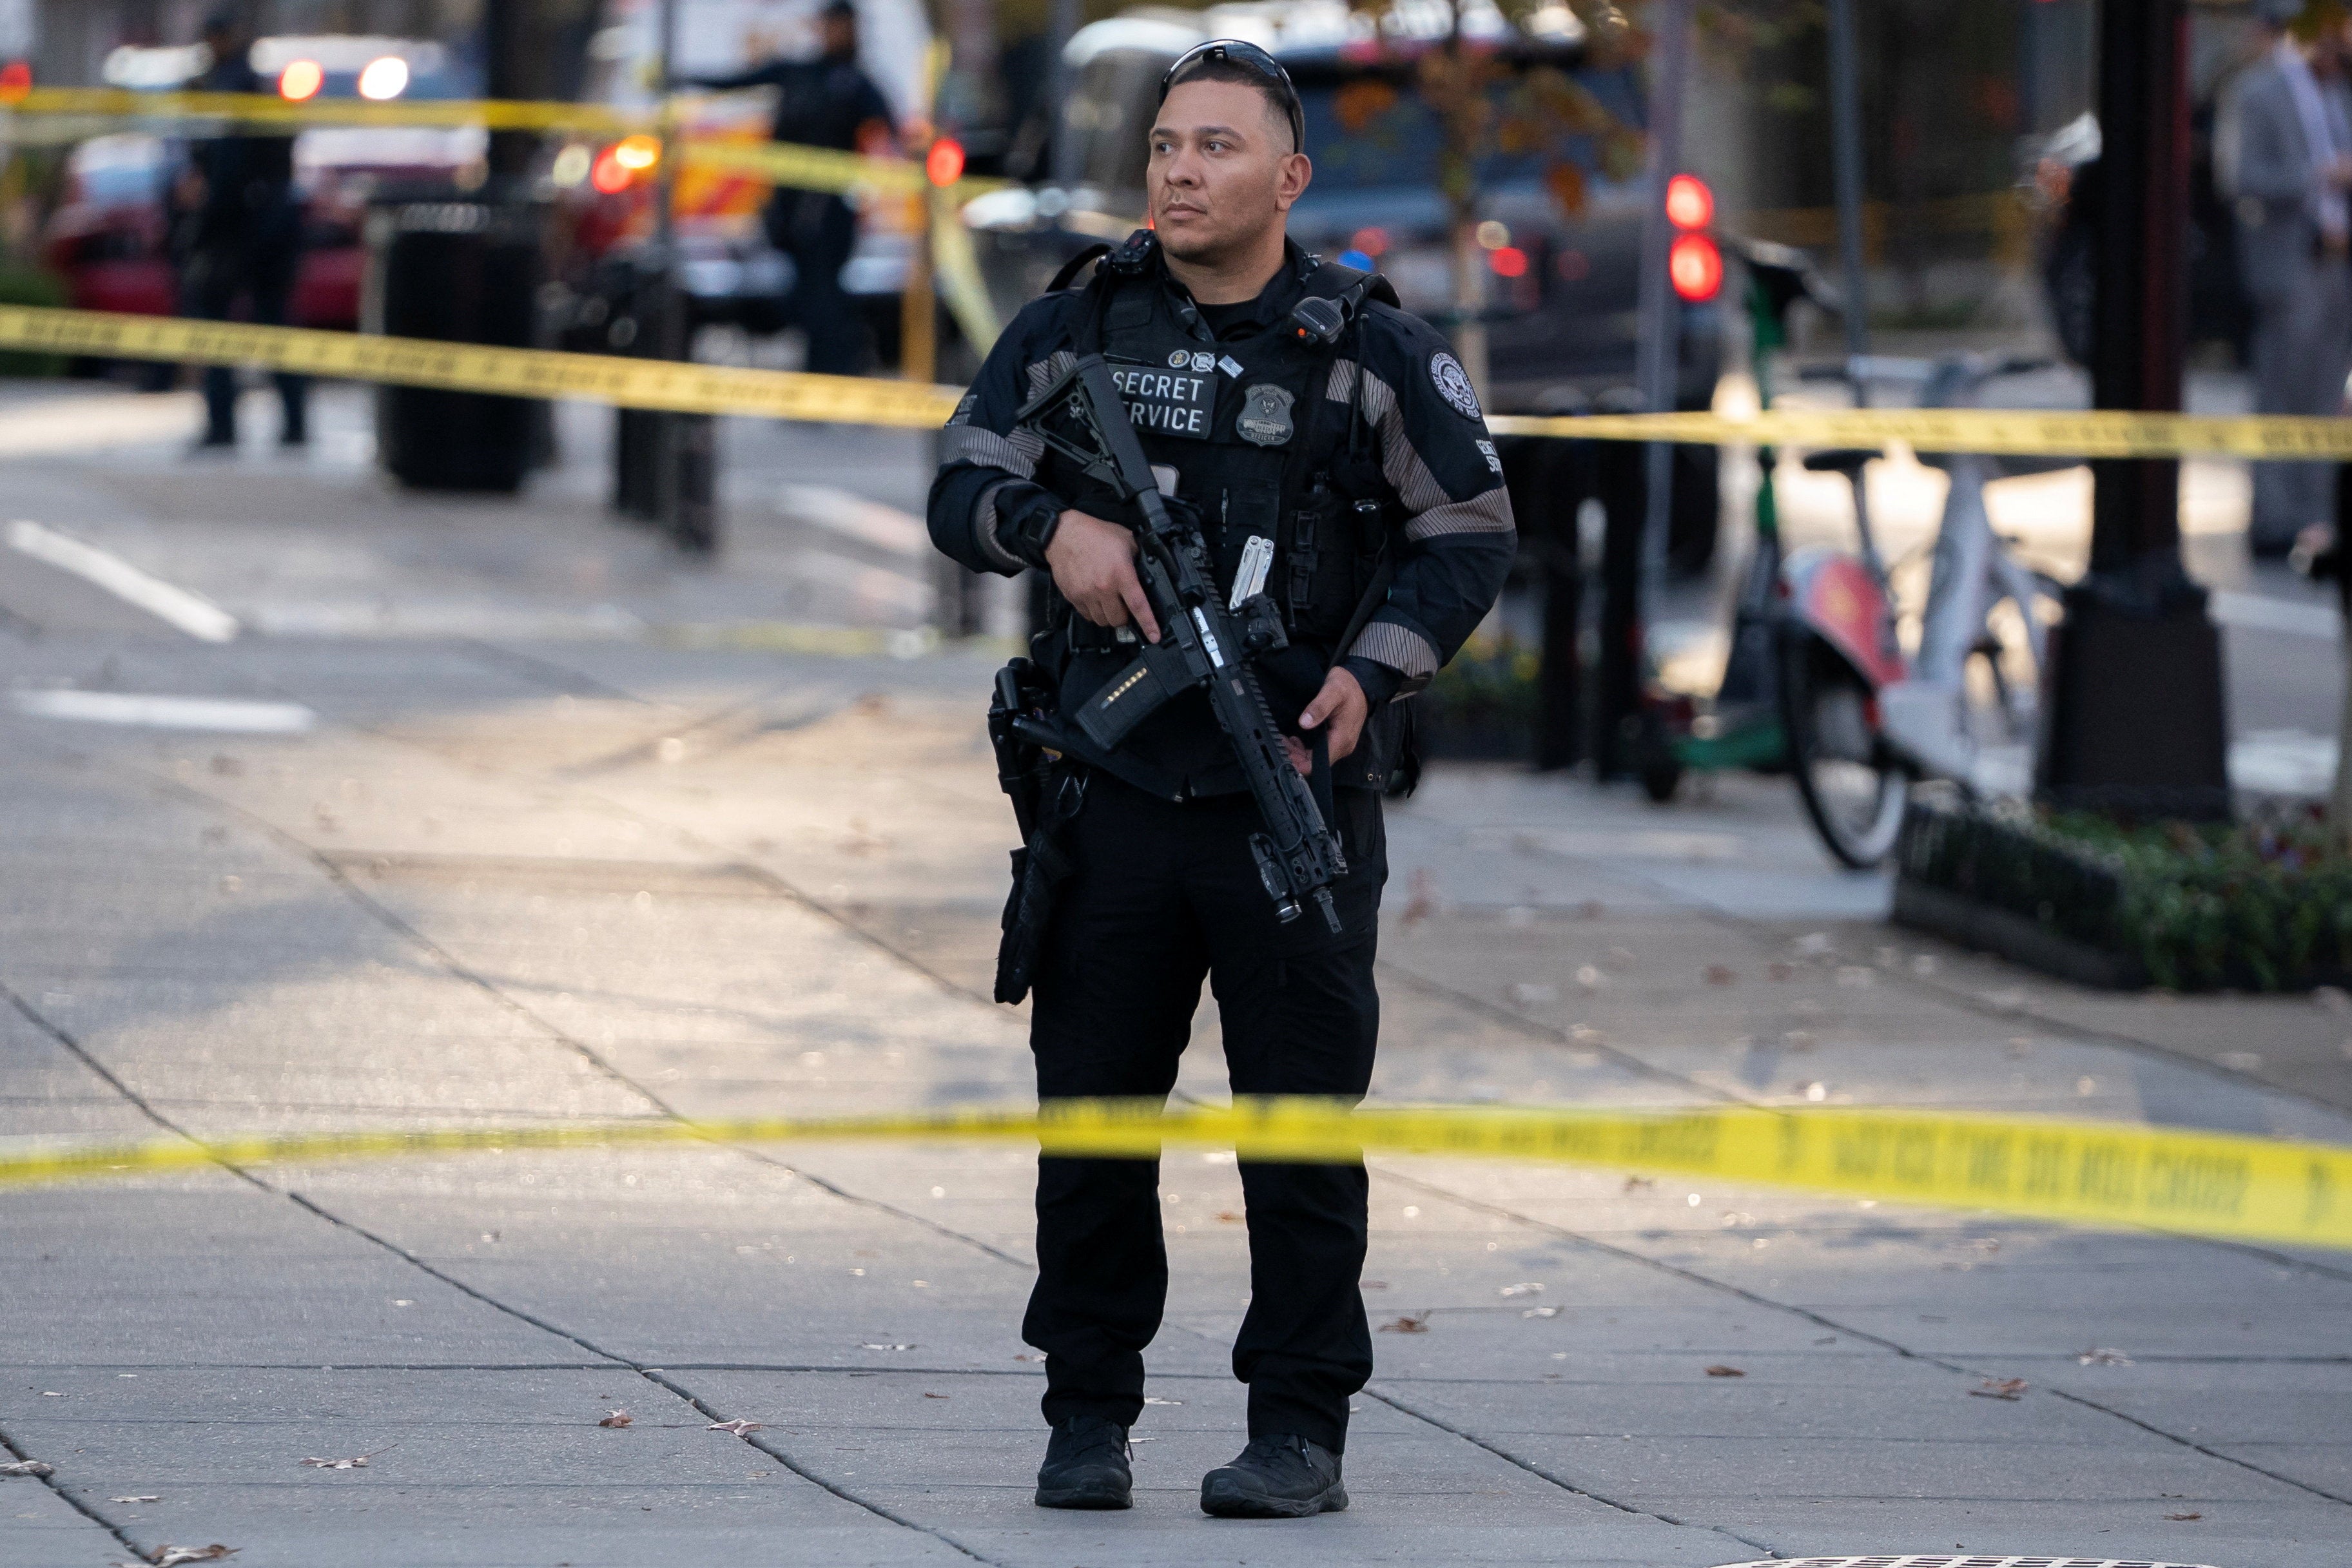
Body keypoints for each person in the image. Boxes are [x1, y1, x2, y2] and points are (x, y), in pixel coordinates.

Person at [926, 41, 1513, 1520]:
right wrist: (1041, 527)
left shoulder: (1364, 345)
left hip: (1291, 803)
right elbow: (956, 478)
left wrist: (1369, 668)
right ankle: (1086, 1410)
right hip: (1109, 795)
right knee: (1096, 1120)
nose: (1181, 171)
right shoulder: (1079, 322)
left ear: (1288, 179)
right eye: (1168, 146)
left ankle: (1297, 1425)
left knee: (1300, 1127)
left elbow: (1470, 528)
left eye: (1217, 148)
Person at [692, 0, 895, 376]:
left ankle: (833, 374)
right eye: (830, 25)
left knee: (825, 299)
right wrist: (679, 76)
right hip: (789, 209)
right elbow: (737, 81)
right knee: (804, 298)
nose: (835, 34)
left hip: (830, 211)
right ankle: (826, 374)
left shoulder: (855, 82)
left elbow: (890, 128)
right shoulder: (799, 73)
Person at [2228, 0, 2352, 556]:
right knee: (2281, 395)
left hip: (2337, 263)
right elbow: (2242, 178)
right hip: (2289, 261)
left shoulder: (2340, 95)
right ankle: (2273, 521)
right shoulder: (2260, 93)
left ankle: (2317, 517)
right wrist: (2317, 176)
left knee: (2328, 398)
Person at [177, 8, 308, 450]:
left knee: (244, 324)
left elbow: (227, 168)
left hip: (241, 224)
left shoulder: (235, 89)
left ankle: (231, 425)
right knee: (266, 325)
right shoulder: (222, 87)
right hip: (249, 223)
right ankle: (281, 423)